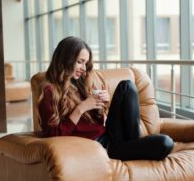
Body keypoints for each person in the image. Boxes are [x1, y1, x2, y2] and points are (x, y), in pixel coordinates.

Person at [38, 36, 174, 161]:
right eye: (80, 62)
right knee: (165, 143)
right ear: (66, 59)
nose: (84, 69)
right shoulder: (49, 91)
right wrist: (81, 108)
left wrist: (101, 106)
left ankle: (132, 145)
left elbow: (97, 124)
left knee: (126, 86)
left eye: (85, 64)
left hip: (109, 136)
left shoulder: (79, 84)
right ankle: (132, 147)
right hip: (98, 146)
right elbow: (52, 135)